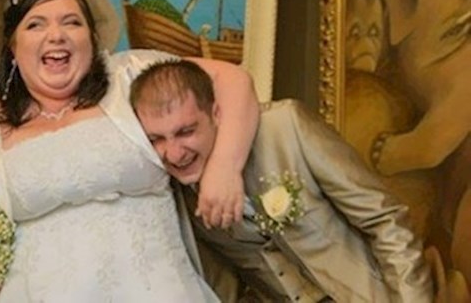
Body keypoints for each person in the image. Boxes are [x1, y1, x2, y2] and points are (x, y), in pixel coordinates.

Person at [0, 0, 260, 302]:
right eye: (36, 25)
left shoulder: (132, 77)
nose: (56, 35)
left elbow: (233, 81)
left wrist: (225, 166)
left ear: (91, 40)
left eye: (72, 22)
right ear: (13, 49)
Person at [130, 60, 434, 302]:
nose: (174, 153)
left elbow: (385, 220)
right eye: (156, 139)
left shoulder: (286, 128)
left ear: (216, 114)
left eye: (185, 132)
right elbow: (230, 288)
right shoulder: (178, 196)